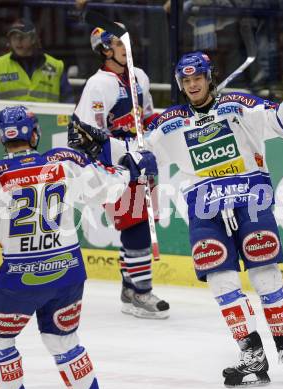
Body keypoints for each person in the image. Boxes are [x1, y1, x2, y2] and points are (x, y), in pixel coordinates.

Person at [69, 51, 283, 387]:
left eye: (197, 78)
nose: (193, 84)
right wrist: (97, 142)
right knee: (221, 280)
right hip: (204, 205)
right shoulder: (170, 122)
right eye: (186, 80)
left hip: (250, 196)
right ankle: (252, 354)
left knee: (265, 274)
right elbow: (137, 151)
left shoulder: (239, 104)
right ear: (180, 84)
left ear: (209, 77)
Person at [0, 105, 158, 389]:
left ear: (2, 138)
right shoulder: (64, 161)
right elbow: (109, 186)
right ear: (34, 134)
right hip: (68, 273)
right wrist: (132, 165)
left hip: (20, 279)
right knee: (64, 343)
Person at [73, 25, 170, 319]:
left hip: (140, 157)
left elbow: (148, 115)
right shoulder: (97, 85)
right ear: (105, 49)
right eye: (118, 43)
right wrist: (125, 156)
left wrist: (163, 125)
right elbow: (90, 134)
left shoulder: (139, 76)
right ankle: (140, 293)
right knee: (135, 224)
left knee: (141, 220)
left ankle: (130, 289)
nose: (126, 46)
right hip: (114, 165)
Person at [0, 18, 74, 103]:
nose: (17, 41)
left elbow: (68, 100)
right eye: (14, 38)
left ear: (33, 39)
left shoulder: (56, 66)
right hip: (9, 121)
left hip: (47, 120)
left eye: (22, 37)